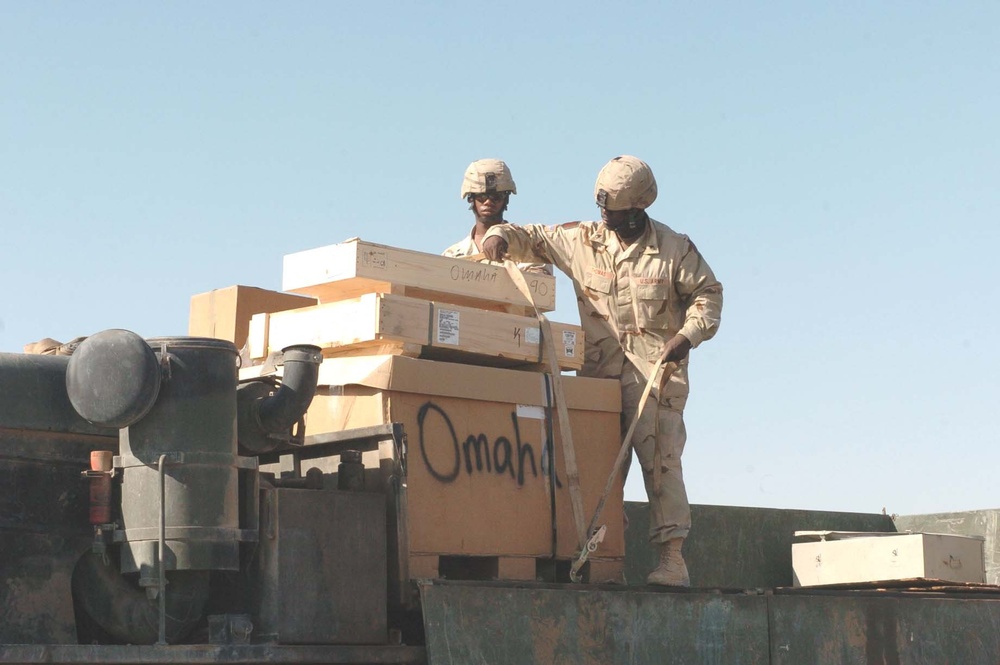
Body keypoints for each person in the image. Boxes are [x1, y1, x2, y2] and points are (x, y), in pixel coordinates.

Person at [482, 155, 723, 586]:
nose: (604, 215)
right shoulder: (583, 240)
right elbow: (534, 236)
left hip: (655, 377)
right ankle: (606, 557)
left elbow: (708, 295)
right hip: (598, 378)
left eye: (612, 209)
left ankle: (672, 560)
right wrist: (501, 235)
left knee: (662, 464)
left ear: (638, 208)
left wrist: (686, 336)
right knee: (597, 469)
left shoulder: (673, 249)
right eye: (602, 207)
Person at [444, 159, 549, 274]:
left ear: (506, 200)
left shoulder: (527, 247)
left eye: (496, 197)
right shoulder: (452, 256)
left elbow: (537, 287)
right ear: (471, 198)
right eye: (482, 196)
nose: (488, 202)